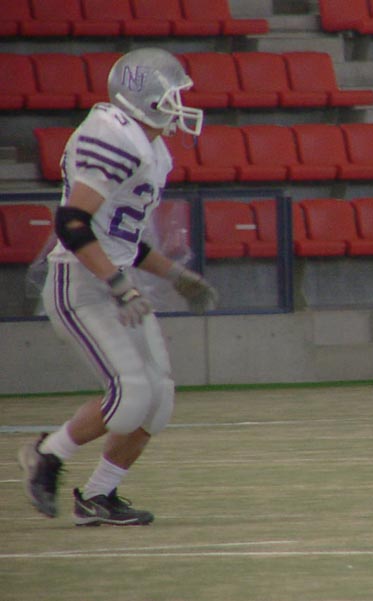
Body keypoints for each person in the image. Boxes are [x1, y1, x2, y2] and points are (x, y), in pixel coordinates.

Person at [17, 48, 218, 525]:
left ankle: (97, 497)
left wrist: (175, 275)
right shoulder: (112, 136)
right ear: (143, 99)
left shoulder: (151, 148)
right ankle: (46, 454)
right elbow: (71, 223)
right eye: (171, 96)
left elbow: (122, 238)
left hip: (113, 278)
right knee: (130, 395)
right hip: (81, 283)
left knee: (158, 401)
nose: (179, 105)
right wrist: (118, 284)